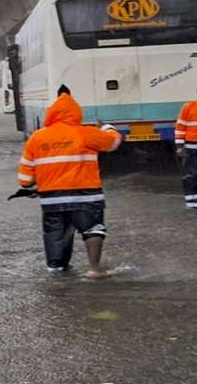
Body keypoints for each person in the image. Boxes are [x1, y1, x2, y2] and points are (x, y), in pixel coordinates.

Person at [16, 88, 122, 277]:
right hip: (87, 195)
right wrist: (107, 127)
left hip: (51, 199)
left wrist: (31, 187)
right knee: (93, 228)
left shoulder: (37, 137)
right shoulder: (85, 133)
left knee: (55, 233)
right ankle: (94, 269)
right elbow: (113, 143)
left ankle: (57, 271)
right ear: (77, 113)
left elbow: (25, 179)